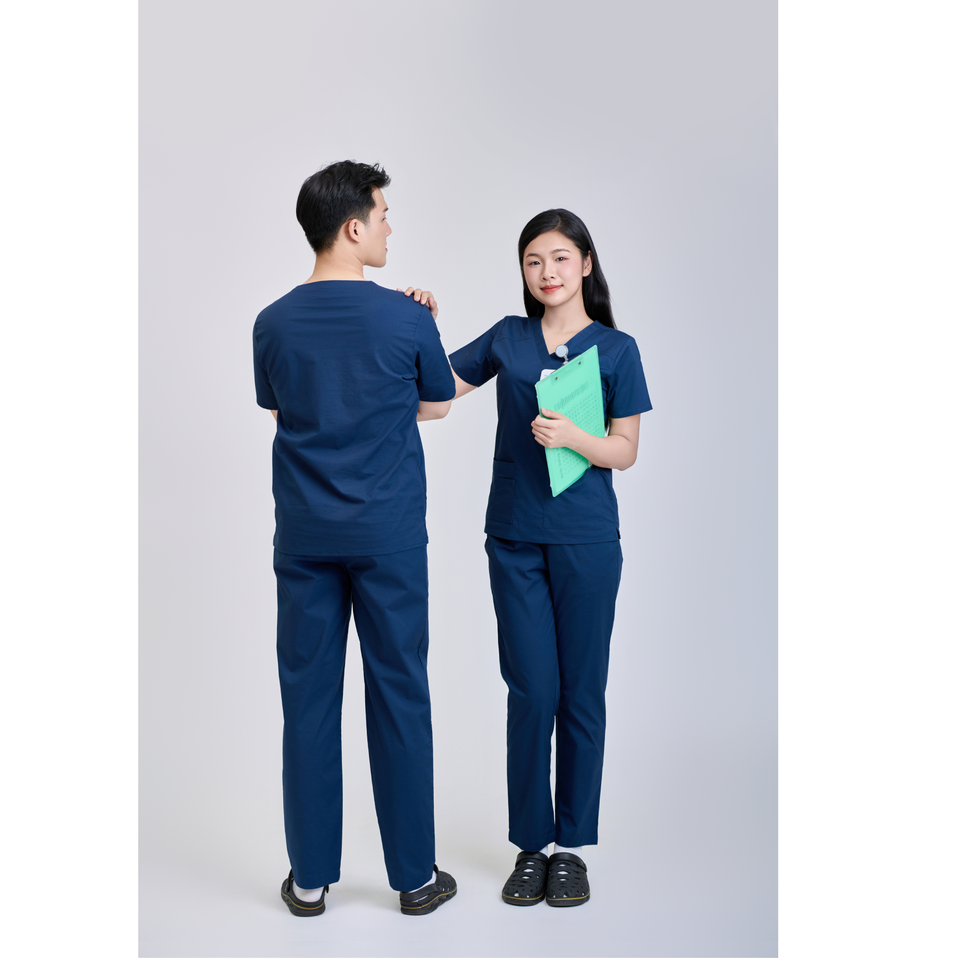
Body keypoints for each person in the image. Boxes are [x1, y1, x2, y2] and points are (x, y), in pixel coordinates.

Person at [252, 160, 457, 917]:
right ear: (352, 226)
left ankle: (309, 881)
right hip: (389, 534)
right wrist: (419, 332)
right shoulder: (408, 318)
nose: (389, 228)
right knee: (400, 693)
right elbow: (437, 405)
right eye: (383, 214)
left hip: (305, 535)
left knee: (307, 701)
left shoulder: (271, 322)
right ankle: (414, 878)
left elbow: (285, 411)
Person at [446, 208, 652, 907]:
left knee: (580, 692)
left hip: (588, 541)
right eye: (534, 260)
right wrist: (415, 321)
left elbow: (624, 451)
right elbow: (436, 392)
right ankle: (531, 845)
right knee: (532, 691)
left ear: (586, 264)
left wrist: (574, 438)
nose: (547, 272)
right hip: (515, 538)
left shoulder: (617, 350)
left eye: (561, 258)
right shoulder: (507, 338)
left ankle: (571, 850)